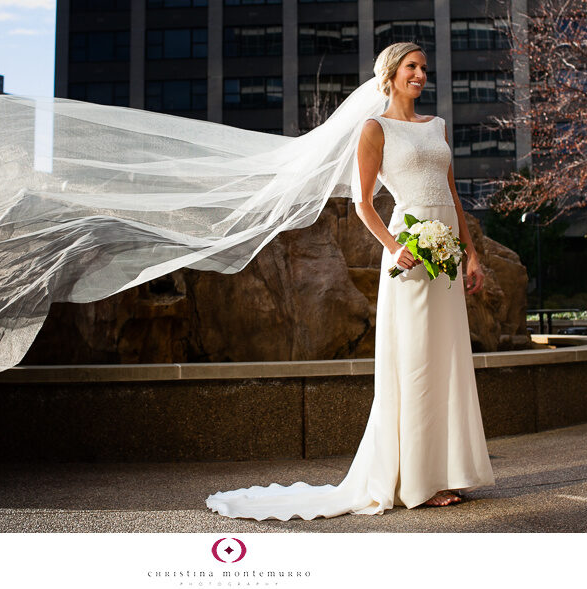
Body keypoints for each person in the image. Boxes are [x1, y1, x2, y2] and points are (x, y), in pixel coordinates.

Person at [205, 42, 496, 519]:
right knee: (417, 365)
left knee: (447, 361)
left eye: (424, 67)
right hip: (410, 256)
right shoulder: (374, 128)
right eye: (412, 67)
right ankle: (416, 482)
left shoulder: (438, 127)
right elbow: (363, 202)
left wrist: (471, 254)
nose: (421, 74)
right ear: (391, 74)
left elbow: (451, 193)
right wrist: (393, 246)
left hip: (445, 254)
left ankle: (447, 470)